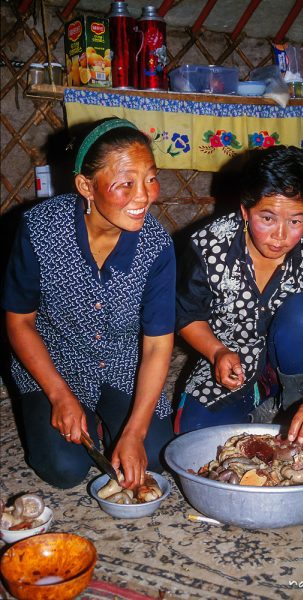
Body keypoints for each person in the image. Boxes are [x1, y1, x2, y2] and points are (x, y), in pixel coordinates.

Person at [1, 117, 176, 490]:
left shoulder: (157, 246)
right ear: (86, 186)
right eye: (126, 183)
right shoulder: (40, 230)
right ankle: (82, 418)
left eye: (150, 178)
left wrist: (136, 429)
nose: (143, 196)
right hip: (55, 361)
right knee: (65, 469)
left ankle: (108, 423)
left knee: (156, 455)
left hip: (120, 363)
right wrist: (59, 395)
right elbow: (19, 322)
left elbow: (159, 344)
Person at [175, 146, 303, 444]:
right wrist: (216, 351)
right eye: (267, 218)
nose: (280, 236)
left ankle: (297, 403)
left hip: (297, 360)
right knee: (194, 438)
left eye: (296, 221)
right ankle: (262, 401)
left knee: (301, 313)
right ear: (245, 210)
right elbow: (187, 314)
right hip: (231, 359)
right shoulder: (208, 246)